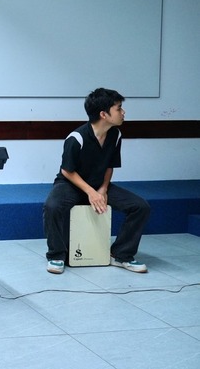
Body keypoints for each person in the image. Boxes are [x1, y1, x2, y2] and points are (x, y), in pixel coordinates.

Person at [43, 88, 151, 274]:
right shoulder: (76, 138)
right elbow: (67, 171)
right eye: (119, 108)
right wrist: (90, 192)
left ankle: (121, 254)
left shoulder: (115, 135)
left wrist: (102, 189)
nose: (123, 112)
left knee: (140, 207)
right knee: (52, 206)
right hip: (70, 184)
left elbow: (109, 165)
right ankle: (56, 255)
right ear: (103, 114)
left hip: (98, 185)